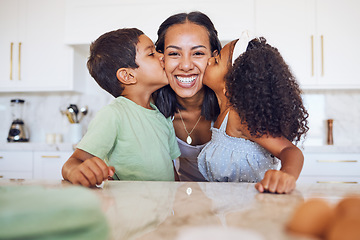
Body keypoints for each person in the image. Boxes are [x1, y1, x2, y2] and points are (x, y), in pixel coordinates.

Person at [62, 28, 181, 187]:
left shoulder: (162, 115)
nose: (163, 56)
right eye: (151, 54)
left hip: (162, 210)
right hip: (128, 209)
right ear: (128, 76)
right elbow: (73, 162)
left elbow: (172, 172)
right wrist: (77, 171)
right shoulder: (114, 114)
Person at [198, 31, 309, 193]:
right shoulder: (221, 115)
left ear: (230, 84)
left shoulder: (238, 117)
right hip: (226, 211)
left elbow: (290, 151)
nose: (208, 60)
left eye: (216, 61)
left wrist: (286, 175)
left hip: (252, 209)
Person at [152, 11, 221, 181]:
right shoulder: (148, 111)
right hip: (177, 205)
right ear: (161, 59)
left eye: (197, 53)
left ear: (214, 57)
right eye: (174, 53)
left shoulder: (231, 108)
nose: (185, 65)